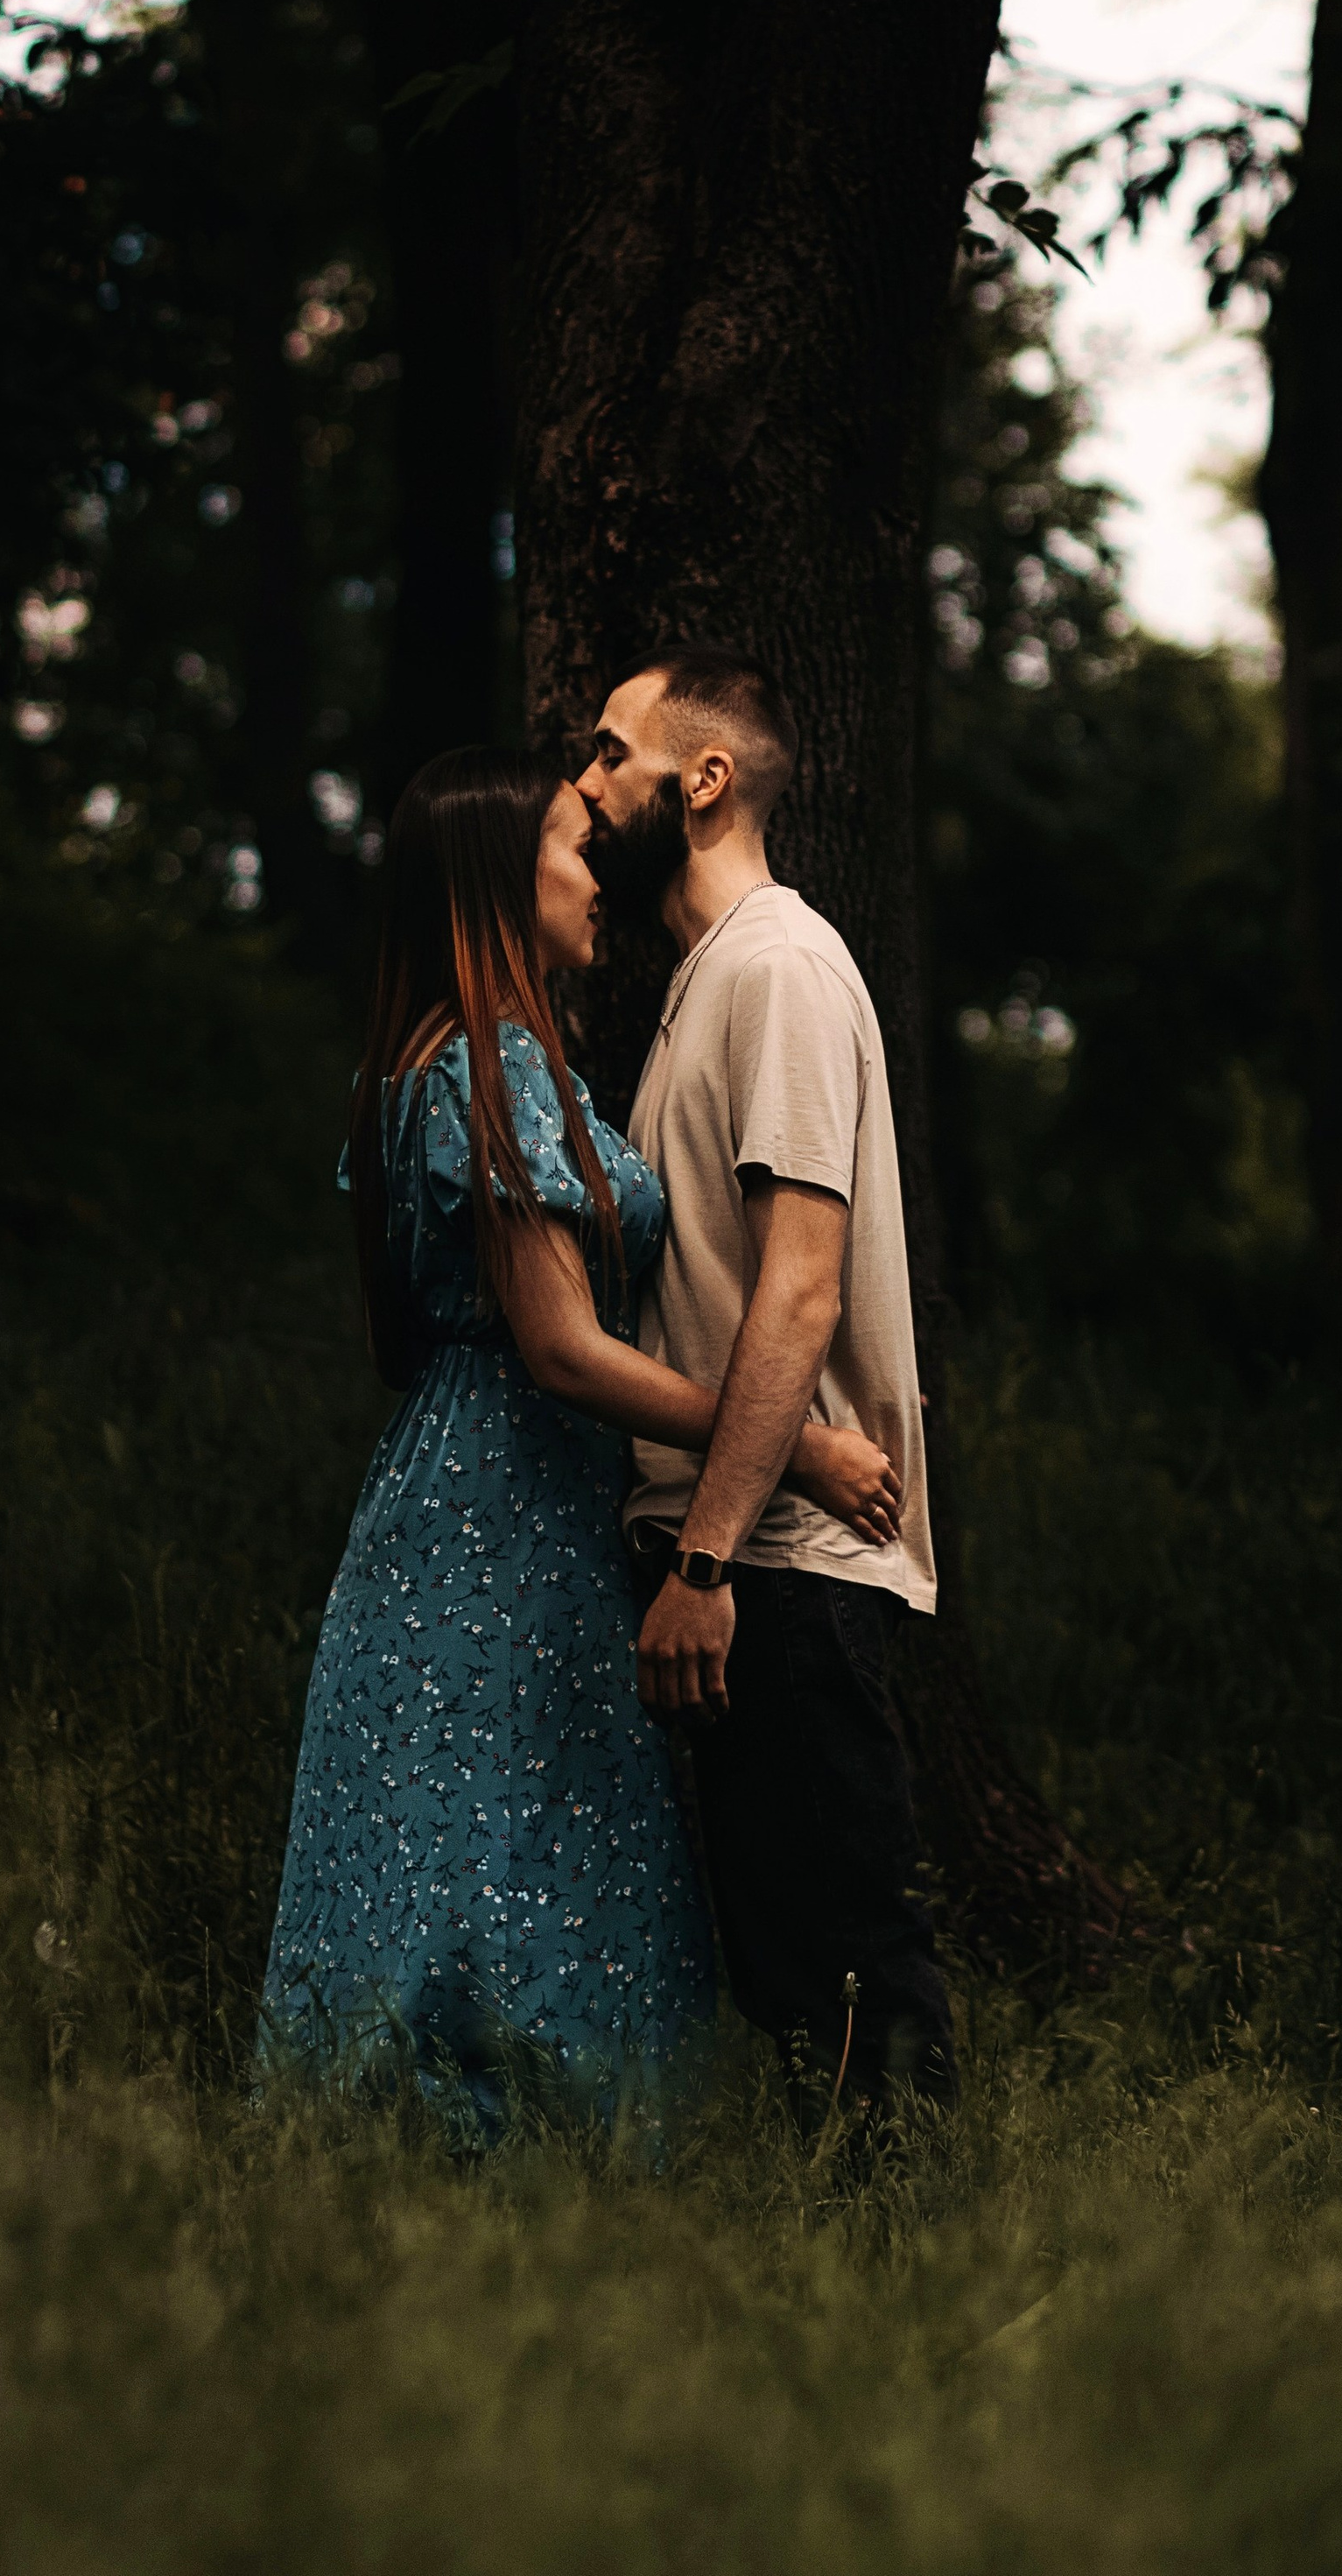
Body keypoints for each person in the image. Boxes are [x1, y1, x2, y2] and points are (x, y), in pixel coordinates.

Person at [261, 745, 898, 2135]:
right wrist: (792, 1445)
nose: (593, 868)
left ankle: (473, 2181)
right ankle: (488, 2173)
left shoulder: (464, 1064)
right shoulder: (488, 1070)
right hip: (498, 1512)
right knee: (491, 1846)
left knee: (496, 1844)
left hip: (482, 1495)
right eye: (567, 842)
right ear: (498, 881)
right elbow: (560, 1349)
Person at [577, 645, 958, 2115]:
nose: (591, 784)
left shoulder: (782, 968)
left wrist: (708, 1554)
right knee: (795, 1977)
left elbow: (800, 1282)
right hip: (751, 1548)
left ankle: (935, 2293)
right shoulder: (707, 982)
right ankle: (852, 2295)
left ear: (705, 778)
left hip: (779, 1563)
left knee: (851, 1966)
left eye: (613, 754)